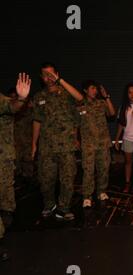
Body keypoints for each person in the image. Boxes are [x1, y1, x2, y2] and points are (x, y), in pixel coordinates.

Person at [32, 63, 82, 221]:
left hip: (66, 145)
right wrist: (34, 144)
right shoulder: (39, 97)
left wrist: (60, 80)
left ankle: (63, 208)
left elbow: (80, 98)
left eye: (51, 74)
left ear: (57, 74)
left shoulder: (67, 93)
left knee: (67, 179)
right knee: (45, 180)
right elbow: (37, 121)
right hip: (46, 147)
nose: (48, 78)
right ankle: (49, 204)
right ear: (41, 78)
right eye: (45, 75)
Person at [1, 73, 32, 262]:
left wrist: (21, 98)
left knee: (6, 201)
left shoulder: (2, 100)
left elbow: (12, 106)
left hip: (3, 159)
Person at [77, 81, 116, 208]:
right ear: (85, 90)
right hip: (88, 144)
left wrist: (107, 97)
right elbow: (74, 124)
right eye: (92, 88)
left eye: (96, 89)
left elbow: (112, 113)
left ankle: (101, 192)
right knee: (88, 170)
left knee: (103, 169)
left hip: (103, 143)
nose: (95, 91)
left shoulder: (101, 103)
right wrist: (75, 139)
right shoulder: (80, 105)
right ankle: (87, 196)